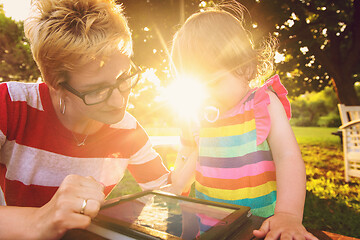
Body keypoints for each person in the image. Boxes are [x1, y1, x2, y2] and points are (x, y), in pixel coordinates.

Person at [0, 0, 172, 239]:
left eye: (124, 77)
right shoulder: (9, 106)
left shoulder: (129, 130)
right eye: (97, 91)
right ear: (56, 85)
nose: (118, 102)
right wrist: (38, 221)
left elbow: (168, 196)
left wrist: (190, 149)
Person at [169, 2, 318, 239]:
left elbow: (287, 157)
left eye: (213, 83)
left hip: (258, 225)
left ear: (246, 67)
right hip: (208, 225)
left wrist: (288, 214)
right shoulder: (200, 114)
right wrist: (176, 187)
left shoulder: (262, 103)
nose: (205, 94)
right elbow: (199, 153)